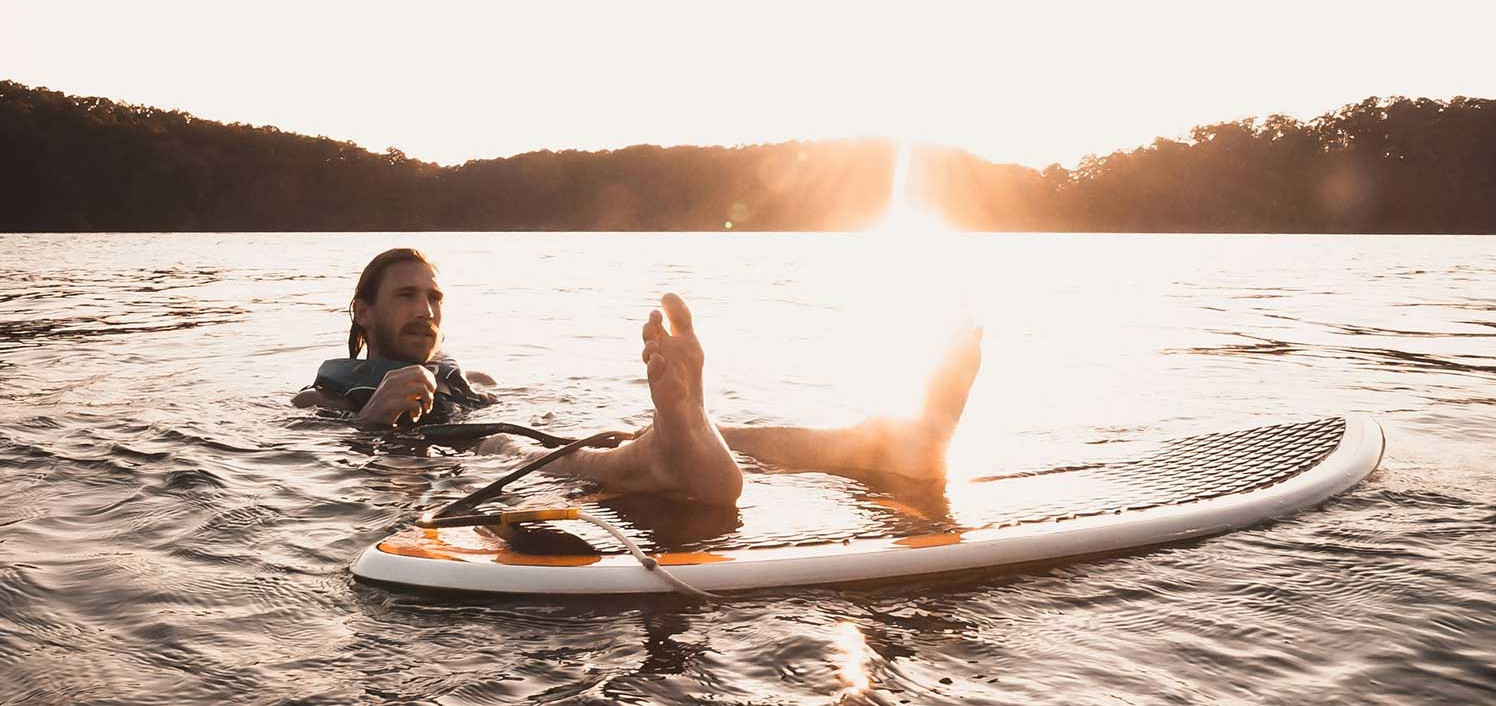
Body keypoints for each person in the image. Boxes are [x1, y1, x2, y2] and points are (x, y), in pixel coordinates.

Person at [294, 248, 981, 505]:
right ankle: (668, 450)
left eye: (434, 297)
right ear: (365, 311)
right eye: (407, 297)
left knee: (642, 433)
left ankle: (887, 446)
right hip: (467, 459)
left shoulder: (465, 375)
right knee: (508, 448)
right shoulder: (322, 391)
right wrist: (369, 421)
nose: (424, 309)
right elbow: (305, 451)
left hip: (529, 440)